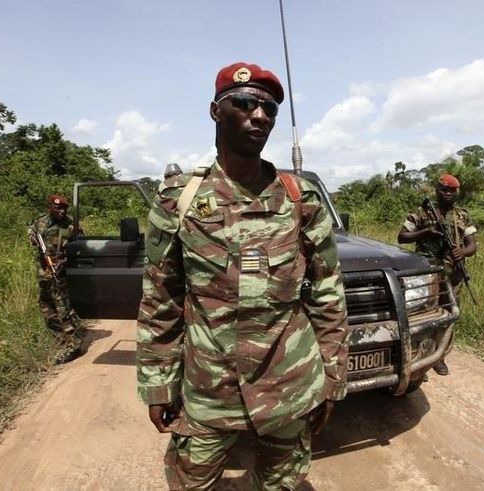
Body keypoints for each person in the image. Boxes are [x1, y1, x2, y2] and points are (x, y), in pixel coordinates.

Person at [137, 62, 348, 490]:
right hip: (208, 389)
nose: (260, 116)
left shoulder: (299, 198)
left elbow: (327, 291)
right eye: (245, 103)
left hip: (290, 382)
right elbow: (161, 297)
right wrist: (159, 384)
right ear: (216, 111)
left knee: (281, 484)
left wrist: (333, 376)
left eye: (269, 108)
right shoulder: (179, 201)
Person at [397, 174, 477, 376]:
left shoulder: (462, 215)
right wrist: (426, 232)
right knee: (421, 313)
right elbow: (402, 237)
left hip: (453, 275)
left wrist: (463, 252)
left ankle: (439, 357)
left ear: (457, 193)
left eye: (452, 191)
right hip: (426, 274)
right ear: (437, 191)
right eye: (444, 190)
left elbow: (472, 245)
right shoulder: (421, 213)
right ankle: (417, 357)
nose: (448, 194)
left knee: (449, 313)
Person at [28, 194, 84, 364]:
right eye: (58, 208)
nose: (62, 211)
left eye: (64, 208)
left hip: (60, 274)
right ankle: (60, 338)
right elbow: (32, 236)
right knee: (46, 307)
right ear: (49, 208)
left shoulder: (71, 226)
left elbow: (81, 248)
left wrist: (65, 261)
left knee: (63, 309)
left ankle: (74, 346)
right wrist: (32, 237)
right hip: (44, 273)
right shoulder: (40, 222)